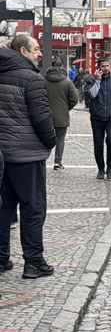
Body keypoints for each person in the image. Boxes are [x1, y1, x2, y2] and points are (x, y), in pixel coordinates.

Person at [0, 35, 58, 279]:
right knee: (33, 209)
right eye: (35, 49)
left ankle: (1, 259)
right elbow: (42, 119)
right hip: (27, 155)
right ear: (23, 51)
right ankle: (33, 262)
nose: (39, 54)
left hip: (3, 156)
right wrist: (52, 142)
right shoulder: (32, 78)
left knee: (3, 210)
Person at [85, 56, 111, 180]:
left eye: (107, 66)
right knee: (98, 144)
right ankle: (100, 169)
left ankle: (110, 168)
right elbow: (92, 95)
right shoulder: (92, 80)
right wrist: (98, 80)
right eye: (103, 66)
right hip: (96, 117)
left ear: (110, 67)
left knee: (110, 141)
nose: (105, 68)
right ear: (99, 67)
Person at [44, 59, 79, 171]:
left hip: (45, 114)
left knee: (44, 138)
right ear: (62, 67)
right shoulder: (67, 82)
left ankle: (42, 160)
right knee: (60, 139)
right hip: (61, 115)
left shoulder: (43, 81)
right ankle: (57, 162)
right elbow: (74, 99)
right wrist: (65, 108)